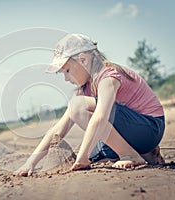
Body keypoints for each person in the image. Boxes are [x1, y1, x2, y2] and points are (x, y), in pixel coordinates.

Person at [15, 33, 165, 176]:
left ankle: (129, 154)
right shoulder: (84, 89)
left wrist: (82, 158)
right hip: (135, 133)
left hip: (149, 126)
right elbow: (57, 130)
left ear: (83, 60)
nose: (66, 79)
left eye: (67, 70)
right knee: (97, 152)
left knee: (80, 116)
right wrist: (30, 163)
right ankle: (145, 153)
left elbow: (100, 118)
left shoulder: (108, 77)